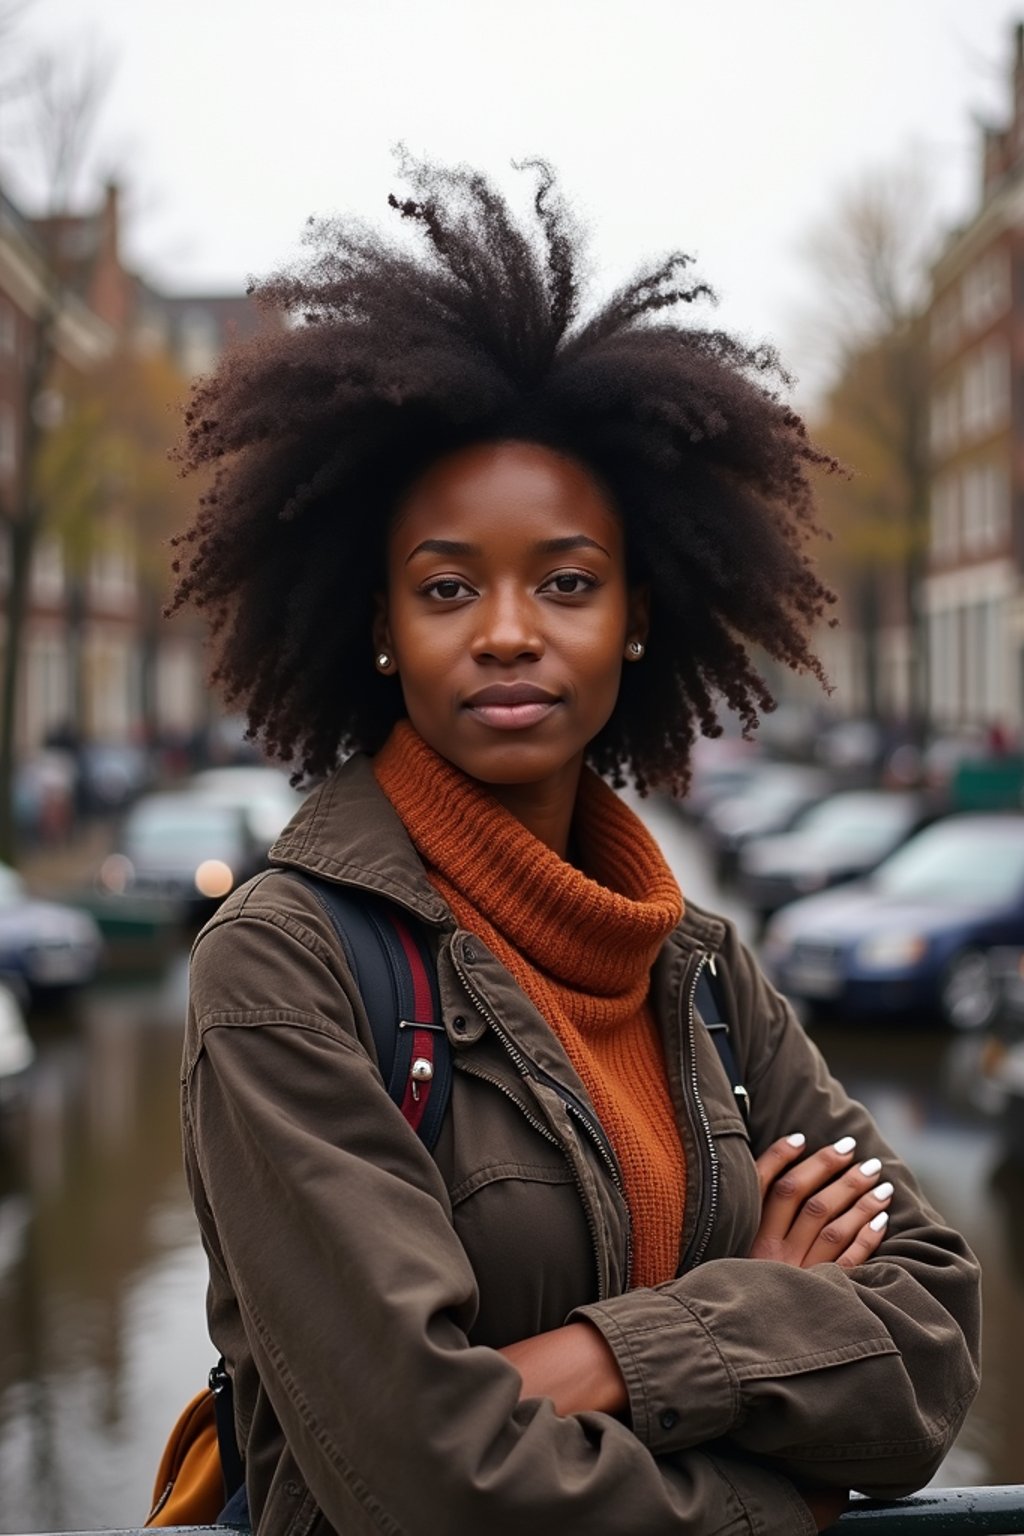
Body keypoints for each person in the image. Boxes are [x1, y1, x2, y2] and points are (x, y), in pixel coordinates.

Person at [169, 158, 981, 1536]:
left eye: (565, 581)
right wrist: (782, 1443)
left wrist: (610, 1357)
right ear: (379, 624)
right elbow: (429, 1481)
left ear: (639, 618)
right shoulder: (286, 971)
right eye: (446, 587)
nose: (505, 629)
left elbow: (935, 1337)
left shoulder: (705, 976)